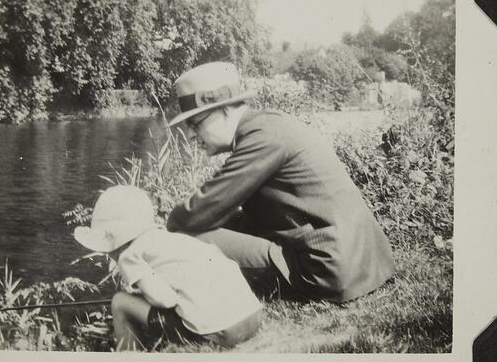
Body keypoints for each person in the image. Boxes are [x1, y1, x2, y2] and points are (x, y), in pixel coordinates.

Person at [166, 62, 394, 302]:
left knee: (186, 238)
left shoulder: (260, 139)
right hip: (359, 260)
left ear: (224, 109)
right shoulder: (268, 125)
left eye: (195, 123)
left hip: (326, 271)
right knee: (219, 223)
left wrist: (168, 225)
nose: (191, 135)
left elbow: (194, 214)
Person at [73, 185, 262, 351]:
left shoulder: (128, 256)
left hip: (222, 333)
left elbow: (166, 301)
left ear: (112, 240)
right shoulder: (170, 239)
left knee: (120, 301)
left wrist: (141, 296)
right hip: (252, 317)